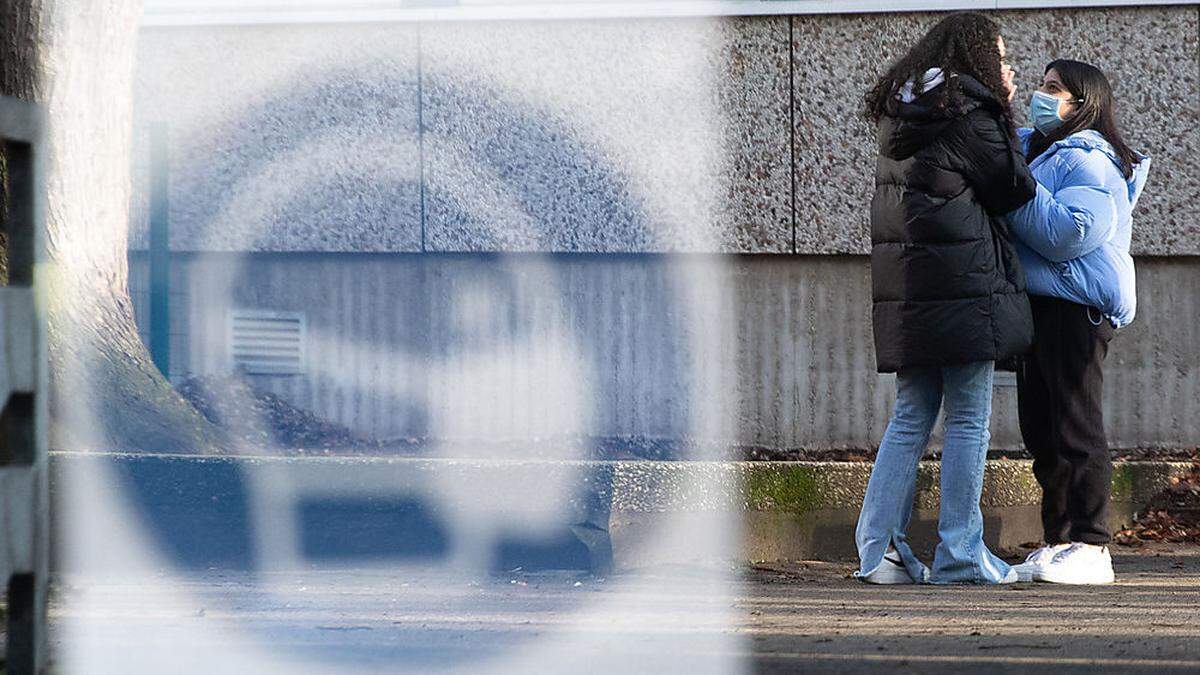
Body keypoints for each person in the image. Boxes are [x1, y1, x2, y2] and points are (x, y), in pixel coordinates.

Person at [854, 12, 1037, 585]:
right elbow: (1014, 186)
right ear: (977, 57)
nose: (1008, 69)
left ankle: (878, 553)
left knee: (910, 416)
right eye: (1002, 58)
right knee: (968, 421)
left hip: (911, 287)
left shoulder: (903, 111)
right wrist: (1003, 110)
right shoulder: (969, 112)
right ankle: (960, 553)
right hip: (964, 286)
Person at [1006, 60, 1150, 585]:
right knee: (1042, 429)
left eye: (1052, 89)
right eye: (1042, 86)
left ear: (1081, 103)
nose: (1040, 97)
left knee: (1075, 426)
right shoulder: (1042, 151)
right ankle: (1059, 540)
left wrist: (1013, 193)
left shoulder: (1090, 159)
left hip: (1076, 309)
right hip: (1044, 306)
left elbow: (1072, 232)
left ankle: (1092, 544)